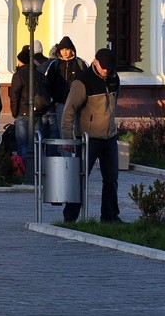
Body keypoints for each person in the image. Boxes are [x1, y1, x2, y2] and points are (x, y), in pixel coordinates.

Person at [61, 47, 122, 223]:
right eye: (103, 67)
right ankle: (70, 218)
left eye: (109, 68)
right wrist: (67, 137)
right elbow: (69, 111)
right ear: (95, 61)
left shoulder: (114, 78)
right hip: (88, 139)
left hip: (109, 137)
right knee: (79, 177)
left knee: (111, 179)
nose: (106, 70)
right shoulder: (82, 82)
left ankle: (110, 217)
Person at [8, 47, 48, 162]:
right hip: (38, 114)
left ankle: (24, 172)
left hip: (23, 113)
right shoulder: (39, 73)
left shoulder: (19, 74)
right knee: (37, 145)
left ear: (22, 60)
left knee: (23, 145)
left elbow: (14, 95)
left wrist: (15, 112)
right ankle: (37, 171)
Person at [44, 37, 86, 137]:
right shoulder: (55, 65)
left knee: (77, 130)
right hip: (60, 104)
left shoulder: (80, 64)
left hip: (77, 104)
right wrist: (53, 98)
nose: (65, 52)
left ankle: (77, 152)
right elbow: (48, 83)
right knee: (62, 131)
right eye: (62, 50)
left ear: (72, 50)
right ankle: (65, 152)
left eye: (67, 49)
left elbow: (86, 82)